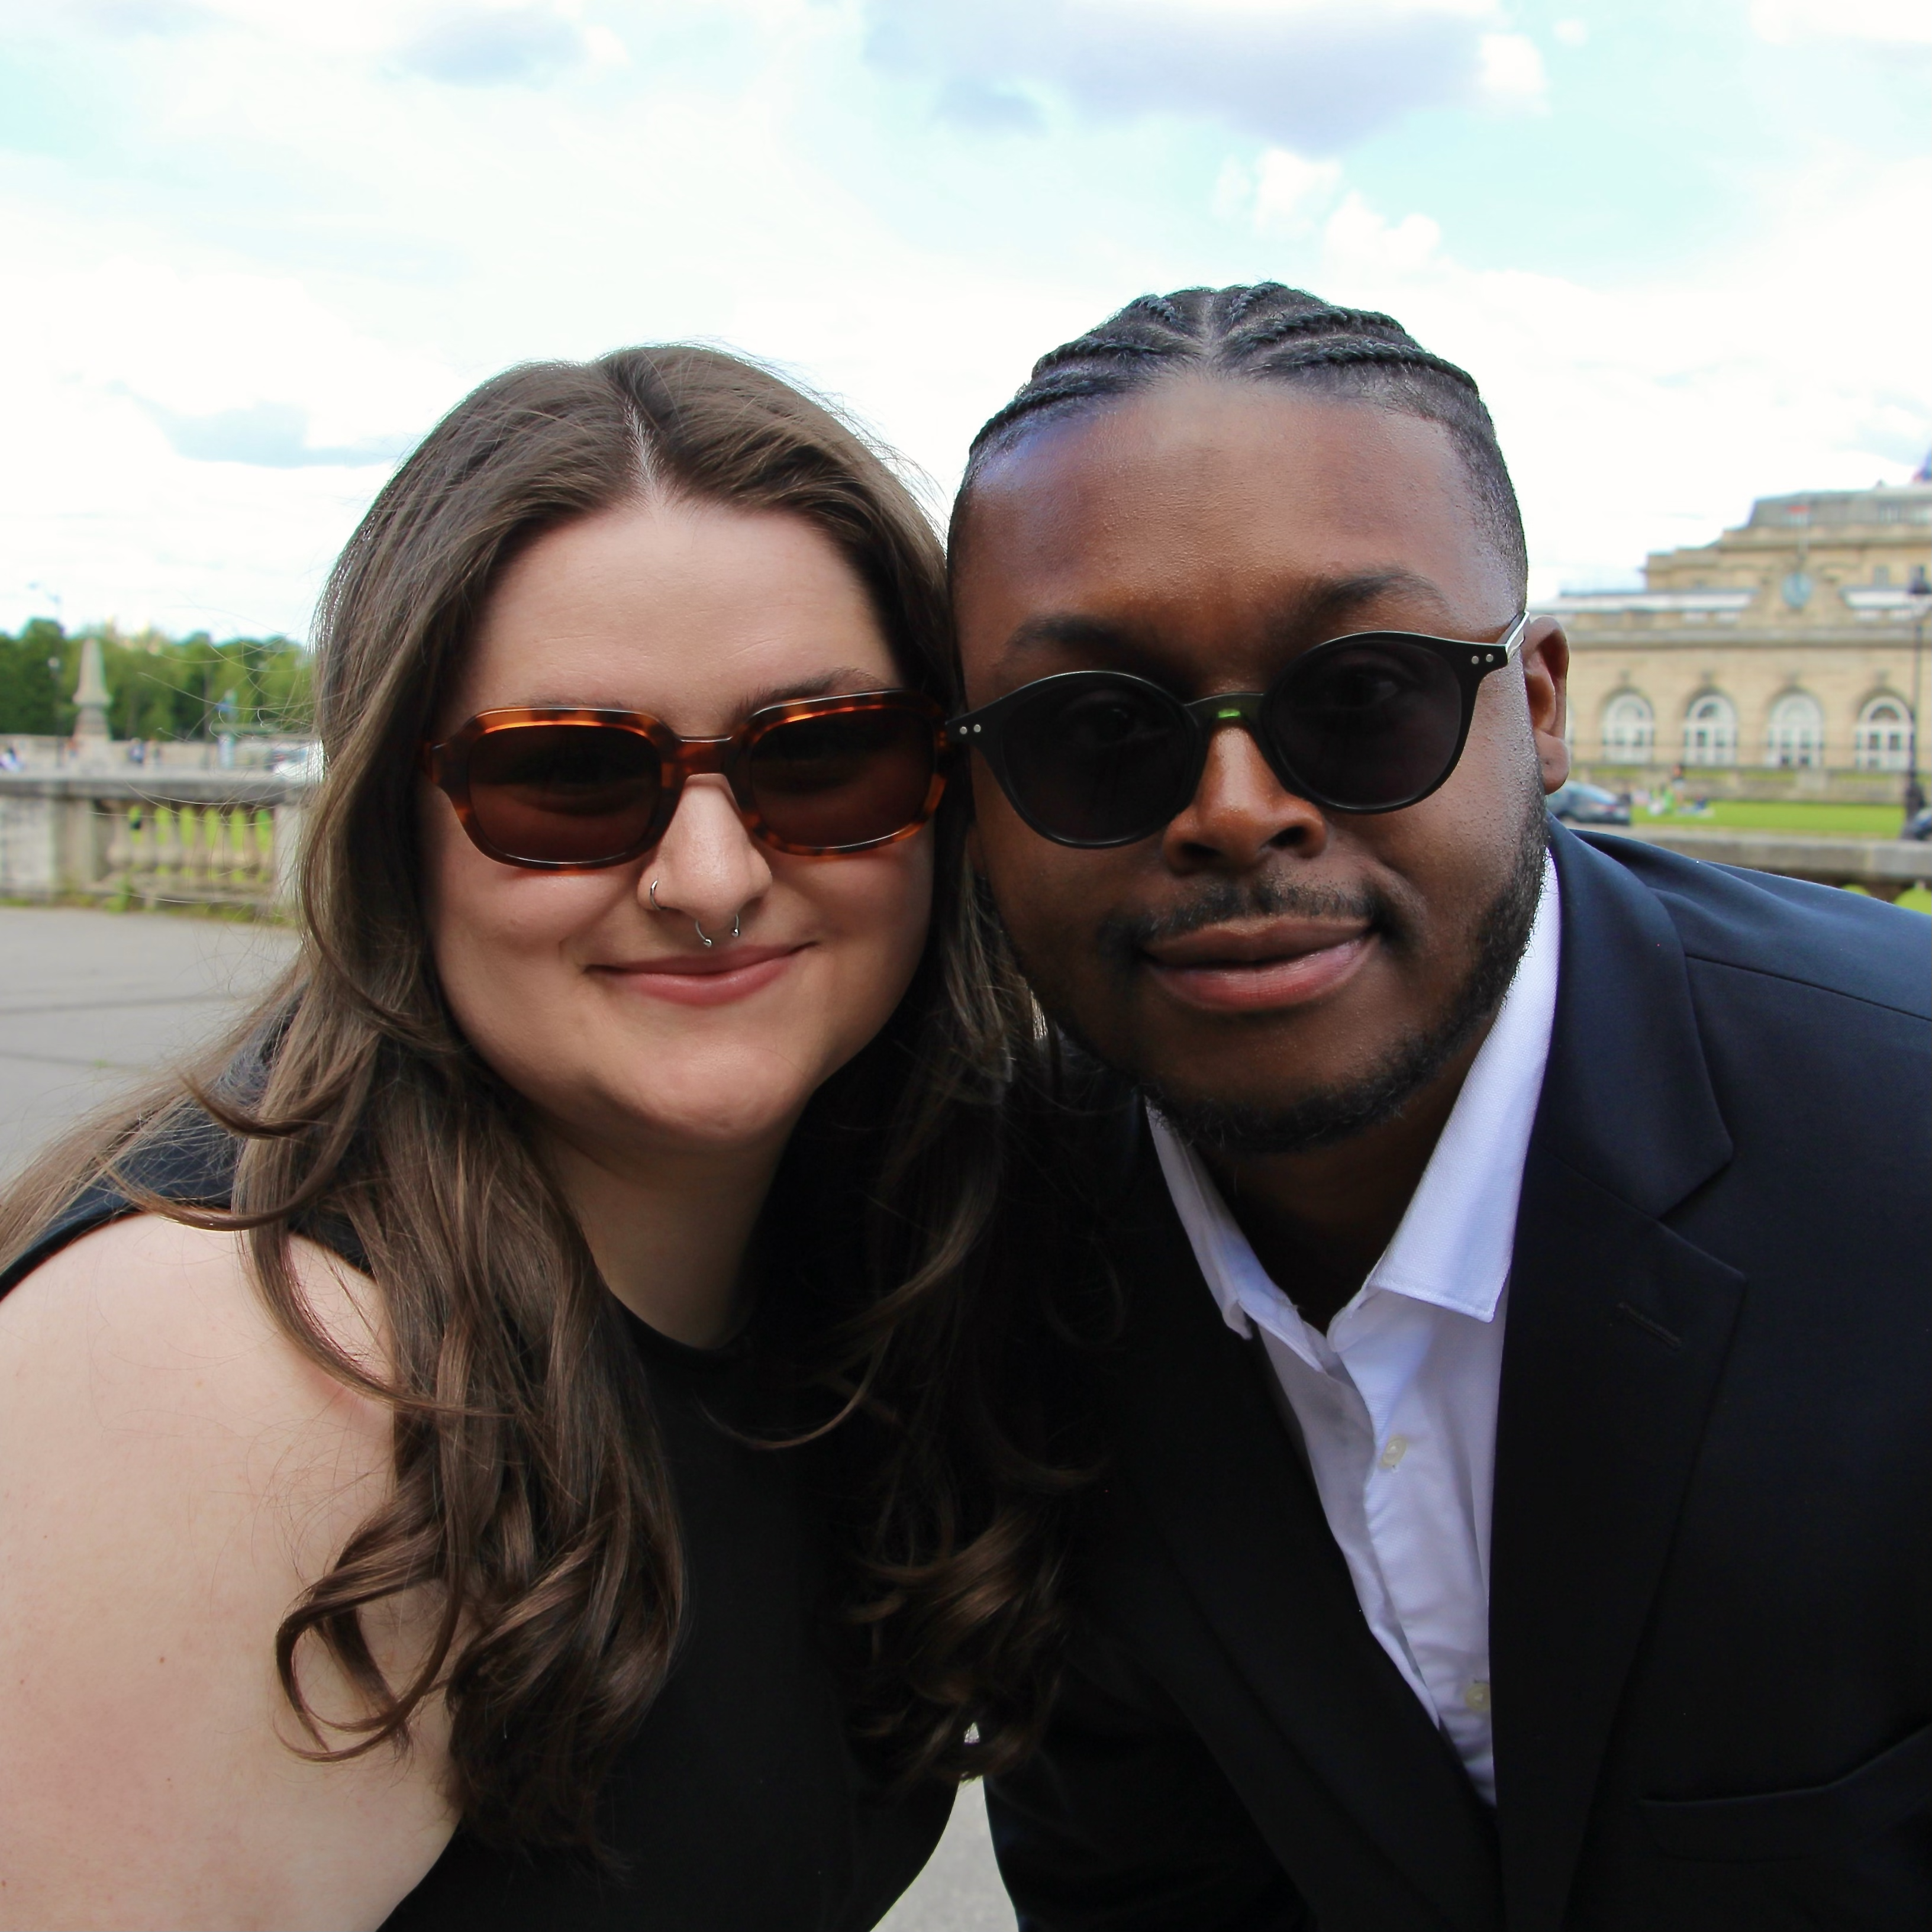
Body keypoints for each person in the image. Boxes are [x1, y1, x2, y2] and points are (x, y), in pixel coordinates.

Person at [0, 347, 1069, 1929]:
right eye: (568, 778)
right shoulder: (226, 1379)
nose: (709, 877)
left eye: (818, 754)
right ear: (395, 827)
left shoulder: (881, 1271)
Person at [947, 286, 1931, 1930]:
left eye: (1363, 698)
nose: (1239, 810)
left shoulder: (1898, 1156)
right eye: (1094, 734)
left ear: (1537, 707)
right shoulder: (994, 1269)